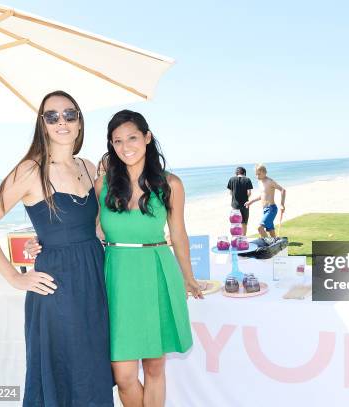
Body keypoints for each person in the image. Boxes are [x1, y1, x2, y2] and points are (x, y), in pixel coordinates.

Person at [0, 90, 114, 406]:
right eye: (52, 116)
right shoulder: (30, 170)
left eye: (69, 114)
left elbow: (98, 228)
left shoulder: (88, 167)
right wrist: (14, 277)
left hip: (95, 279)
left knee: (94, 369)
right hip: (57, 288)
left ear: (79, 122)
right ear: (43, 124)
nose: (62, 121)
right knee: (64, 372)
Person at [97, 110, 202, 407]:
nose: (125, 146)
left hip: (156, 272)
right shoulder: (102, 185)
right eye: (117, 141)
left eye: (131, 137)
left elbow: (179, 234)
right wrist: (40, 241)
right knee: (124, 375)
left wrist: (188, 276)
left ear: (147, 137)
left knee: (154, 368)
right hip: (116, 277)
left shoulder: (171, 184)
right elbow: (84, 228)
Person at [244, 163, 286, 238]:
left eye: (259, 174)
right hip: (265, 210)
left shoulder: (270, 181)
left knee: (260, 228)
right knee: (271, 231)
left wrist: (282, 204)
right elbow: (262, 195)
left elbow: (283, 190)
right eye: (256, 174)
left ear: (264, 172)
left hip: (271, 209)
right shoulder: (260, 182)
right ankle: (275, 243)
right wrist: (251, 201)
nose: (257, 176)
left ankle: (268, 245)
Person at [227, 166, 253, 235]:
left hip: (235, 205)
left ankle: (235, 239)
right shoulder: (247, 179)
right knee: (244, 223)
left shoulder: (231, 179)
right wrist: (244, 197)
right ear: (244, 173)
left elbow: (230, 193)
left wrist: (236, 197)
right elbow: (249, 193)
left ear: (236, 173)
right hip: (245, 205)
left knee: (235, 223)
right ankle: (243, 238)